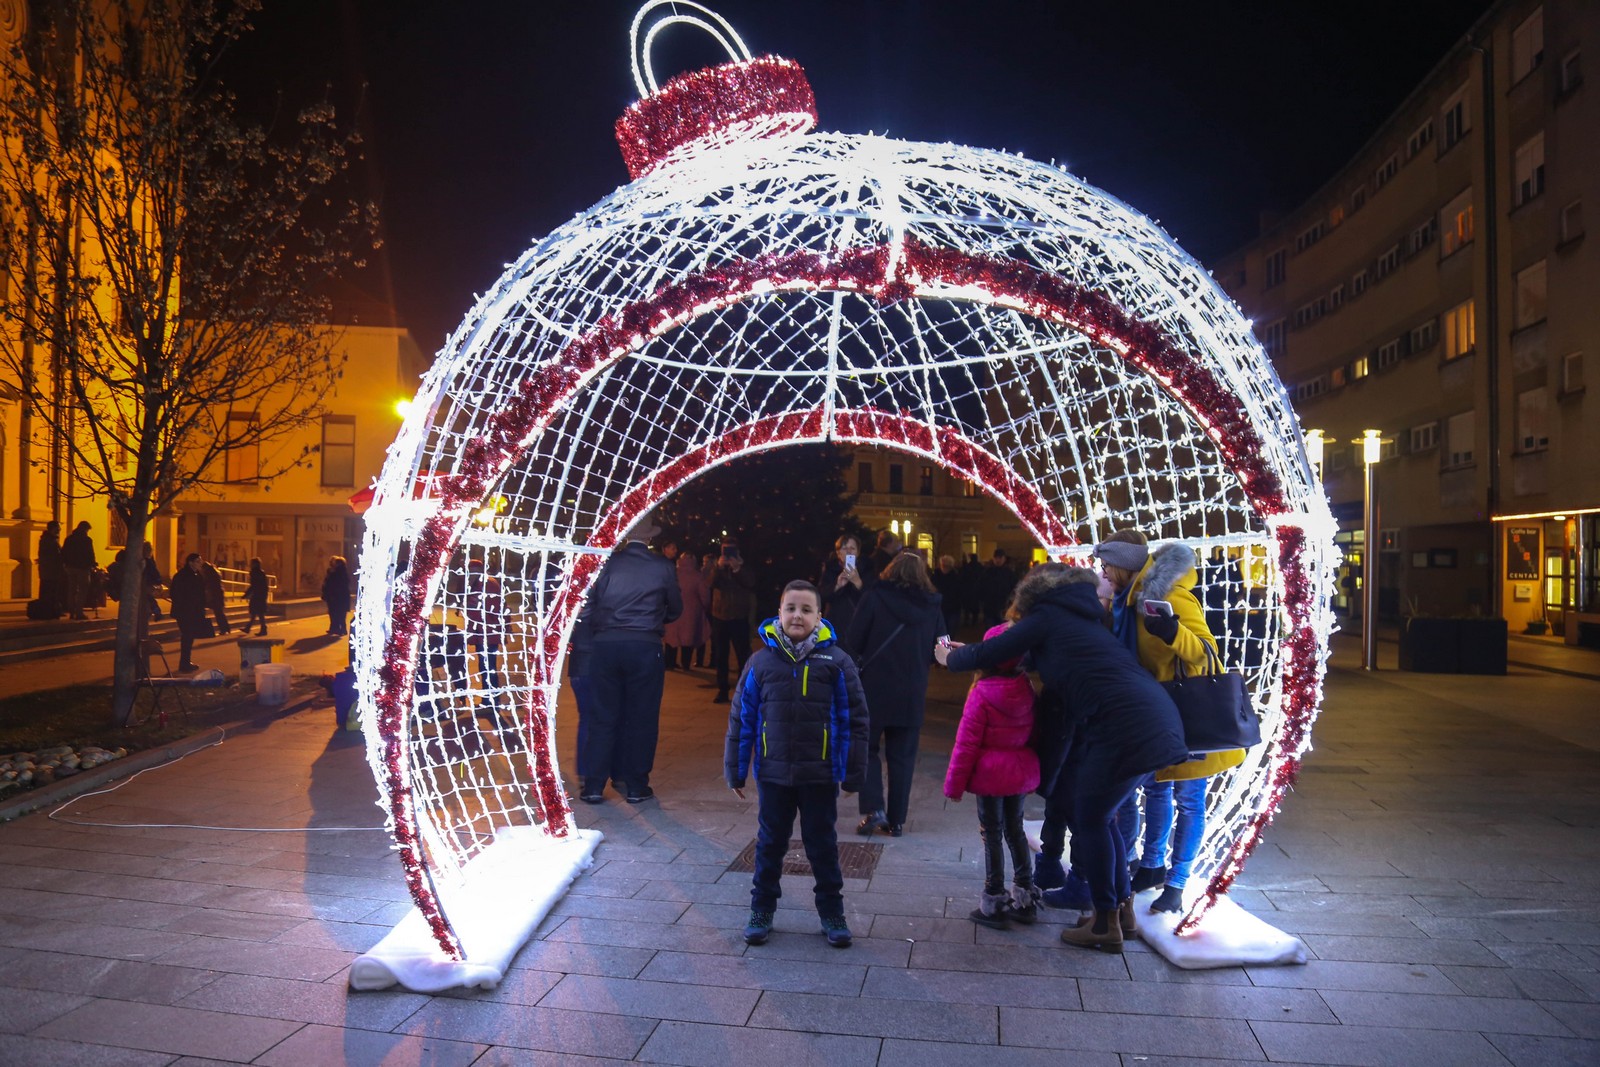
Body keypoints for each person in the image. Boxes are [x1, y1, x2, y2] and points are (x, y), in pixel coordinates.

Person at [936, 564, 1188, 953]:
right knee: (1101, 817)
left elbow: (992, 652)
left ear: (1033, 593)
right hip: (1151, 721)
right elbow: (1022, 656)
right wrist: (970, 653)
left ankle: (1104, 923)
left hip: (1127, 728)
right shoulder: (1077, 619)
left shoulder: (1048, 615)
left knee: (1091, 818)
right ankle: (1120, 912)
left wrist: (947, 658)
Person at [1096, 530, 1233, 916]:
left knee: (1189, 797)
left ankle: (1177, 883)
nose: (1102, 572)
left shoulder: (1168, 596)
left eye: (1107, 566)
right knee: (1156, 788)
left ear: (1124, 567)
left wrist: (1172, 631)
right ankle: (1152, 865)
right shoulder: (1124, 603)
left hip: (1189, 713)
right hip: (1155, 714)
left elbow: (1205, 651)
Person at [725, 580, 867, 949]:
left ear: (820, 616)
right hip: (774, 774)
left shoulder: (836, 662)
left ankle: (832, 913)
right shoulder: (760, 662)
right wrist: (736, 770)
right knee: (770, 844)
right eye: (790, 608)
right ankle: (761, 909)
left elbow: (855, 721)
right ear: (779, 613)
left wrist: (853, 774)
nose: (797, 616)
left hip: (819, 774)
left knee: (823, 844)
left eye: (806, 610)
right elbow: (741, 718)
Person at [576, 512, 682, 804]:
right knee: (642, 717)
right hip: (645, 645)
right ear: (650, 538)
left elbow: (587, 606)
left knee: (602, 716)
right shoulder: (663, 566)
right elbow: (676, 608)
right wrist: (655, 617)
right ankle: (636, 784)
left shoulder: (606, 563)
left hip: (606, 644)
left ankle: (594, 784)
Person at [944, 621, 1041, 929]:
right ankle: (1025, 895)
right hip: (1018, 772)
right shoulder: (1025, 686)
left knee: (992, 834)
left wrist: (953, 786)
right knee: (1015, 830)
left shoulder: (982, 693)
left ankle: (995, 898)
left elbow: (966, 744)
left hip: (990, 776)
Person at [845, 550, 943, 837]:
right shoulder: (932, 606)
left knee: (866, 748)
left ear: (891, 569)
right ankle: (897, 820)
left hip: (874, 687)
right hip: (912, 690)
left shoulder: (875, 597)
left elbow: (854, 639)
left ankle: (874, 808)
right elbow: (941, 648)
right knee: (903, 757)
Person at [708, 537, 756, 703]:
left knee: (743, 654)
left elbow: (751, 582)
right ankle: (722, 689)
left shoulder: (745, 566)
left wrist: (737, 569)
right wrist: (718, 568)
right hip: (720, 616)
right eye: (725, 550)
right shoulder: (716, 566)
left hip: (739, 616)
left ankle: (745, 690)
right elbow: (710, 583)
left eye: (731, 550)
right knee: (721, 655)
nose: (727, 554)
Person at [464, 558, 504, 714]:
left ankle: (491, 702)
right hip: (485, 632)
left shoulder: (485, 584)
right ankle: (490, 700)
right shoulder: (482, 583)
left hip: (487, 633)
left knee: (488, 667)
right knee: (486, 667)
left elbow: (483, 610)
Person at [818, 534, 867, 653]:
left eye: (852, 548)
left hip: (858, 624)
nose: (849, 552)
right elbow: (820, 596)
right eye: (845, 548)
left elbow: (871, 598)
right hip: (836, 625)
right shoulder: (830, 570)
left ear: (858, 552)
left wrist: (858, 582)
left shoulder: (867, 570)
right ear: (838, 553)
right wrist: (837, 585)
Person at [665, 548, 708, 671]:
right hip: (691, 612)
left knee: (671, 638)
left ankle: (670, 662)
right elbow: (704, 595)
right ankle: (685, 664)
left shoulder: (673, 573)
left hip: (673, 609)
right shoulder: (697, 576)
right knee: (688, 639)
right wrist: (705, 606)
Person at [168, 552, 211, 672]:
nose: (200, 563)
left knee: (189, 637)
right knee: (187, 636)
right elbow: (175, 593)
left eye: (200, 561)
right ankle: (184, 664)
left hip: (194, 611)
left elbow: (201, 592)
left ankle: (186, 662)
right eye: (198, 561)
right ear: (190, 563)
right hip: (185, 612)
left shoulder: (198, 575)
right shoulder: (182, 576)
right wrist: (186, 604)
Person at [61, 521, 97, 620]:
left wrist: (65, 564)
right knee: (82, 590)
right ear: (85, 529)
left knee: (72, 589)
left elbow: (64, 552)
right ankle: (79, 612)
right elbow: (90, 553)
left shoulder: (69, 539)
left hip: (70, 567)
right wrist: (93, 564)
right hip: (83, 568)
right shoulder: (86, 540)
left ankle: (71, 612)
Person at [979, 549, 1018, 627]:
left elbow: (1014, 589)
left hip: (1003, 606)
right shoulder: (988, 572)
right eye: (996, 558)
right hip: (990, 606)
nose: (998, 560)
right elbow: (981, 587)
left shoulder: (1009, 573)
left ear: (1004, 559)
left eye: (1000, 558)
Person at [36, 520, 64, 618]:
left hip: (49, 570)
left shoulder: (50, 539)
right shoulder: (48, 541)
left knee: (50, 590)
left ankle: (51, 610)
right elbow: (51, 556)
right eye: (58, 528)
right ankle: (48, 610)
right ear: (52, 528)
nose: (59, 530)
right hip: (50, 570)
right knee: (49, 590)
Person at [931, 554, 963, 636]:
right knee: (941, 631)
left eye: (946, 565)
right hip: (940, 607)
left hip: (952, 607)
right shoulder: (935, 576)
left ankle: (948, 643)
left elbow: (959, 592)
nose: (944, 567)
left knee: (950, 630)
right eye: (943, 565)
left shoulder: (956, 576)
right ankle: (945, 643)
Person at [200, 556, 232, 635]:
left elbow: (206, 583)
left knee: (218, 613)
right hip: (218, 594)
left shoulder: (209, 573)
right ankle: (226, 628)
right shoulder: (215, 571)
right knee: (219, 612)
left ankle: (224, 629)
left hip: (214, 595)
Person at [322, 556, 352, 635]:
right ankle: (340, 629)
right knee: (340, 614)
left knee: (336, 613)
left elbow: (331, 584)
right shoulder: (343, 572)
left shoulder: (336, 573)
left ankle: (337, 628)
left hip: (336, 597)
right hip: (341, 596)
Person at [245, 558, 270, 635]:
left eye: (251, 563)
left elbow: (254, 585)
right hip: (261, 595)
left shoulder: (255, 573)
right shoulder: (260, 572)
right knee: (256, 612)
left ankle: (263, 628)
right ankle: (249, 628)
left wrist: (246, 594)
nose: (250, 565)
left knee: (258, 612)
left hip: (258, 595)